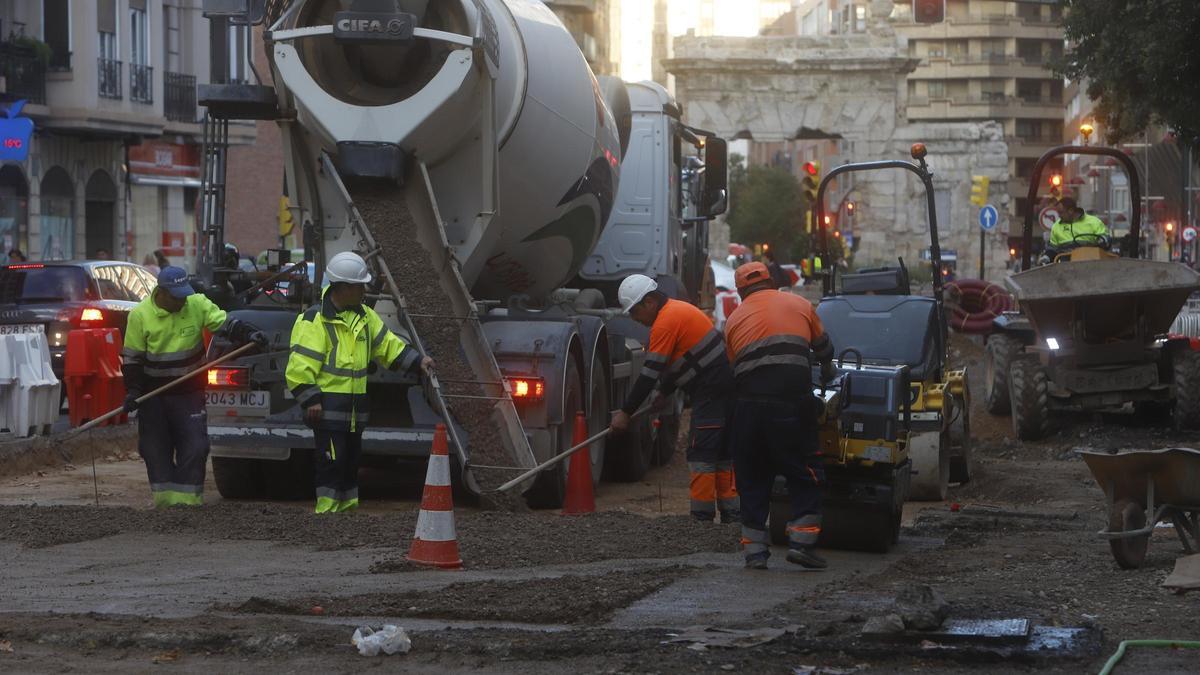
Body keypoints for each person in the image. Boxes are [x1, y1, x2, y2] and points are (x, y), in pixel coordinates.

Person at [286, 252, 433, 514]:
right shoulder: (314, 320)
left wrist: (417, 362)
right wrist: (311, 399)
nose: (364, 290)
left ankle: (348, 509)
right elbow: (299, 367)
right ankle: (327, 511)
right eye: (359, 285)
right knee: (331, 460)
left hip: (354, 410)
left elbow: (388, 346)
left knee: (350, 462)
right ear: (343, 288)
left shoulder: (365, 316)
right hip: (327, 408)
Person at [121, 266, 267, 507]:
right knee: (155, 449)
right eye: (176, 296)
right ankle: (166, 502)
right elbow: (133, 360)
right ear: (162, 292)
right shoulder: (140, 316)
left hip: (189, 393)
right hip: (153, 396)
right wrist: (133, 391)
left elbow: (225, 324)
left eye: (184, 294)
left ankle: (188, 502)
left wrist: (249, 334)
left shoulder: (196, 304)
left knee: (196, 446)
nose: (182, 300)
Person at [723, 262, 835, 570]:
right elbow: (824, 347)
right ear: (772, 282)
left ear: (741, 291)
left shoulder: (733, 320)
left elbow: (735, 367)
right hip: (790, 404)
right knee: (804, 471)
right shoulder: (799, 304)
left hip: (747, 409)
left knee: (752, 476)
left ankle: (755, 552)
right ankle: (802, 543)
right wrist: (828, 371)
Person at [610, 273, 739, 523]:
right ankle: (732, 515)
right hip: (724, 388)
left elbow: (649, 374)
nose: (636, 320)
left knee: (701, 453)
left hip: (711, 391)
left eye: (635, 312)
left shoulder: (665, 322)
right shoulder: (678, 310)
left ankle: (700, 519)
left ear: (649, 302)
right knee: (723, 453)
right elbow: (684, 359)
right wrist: (664, 393)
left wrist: (625, 413)